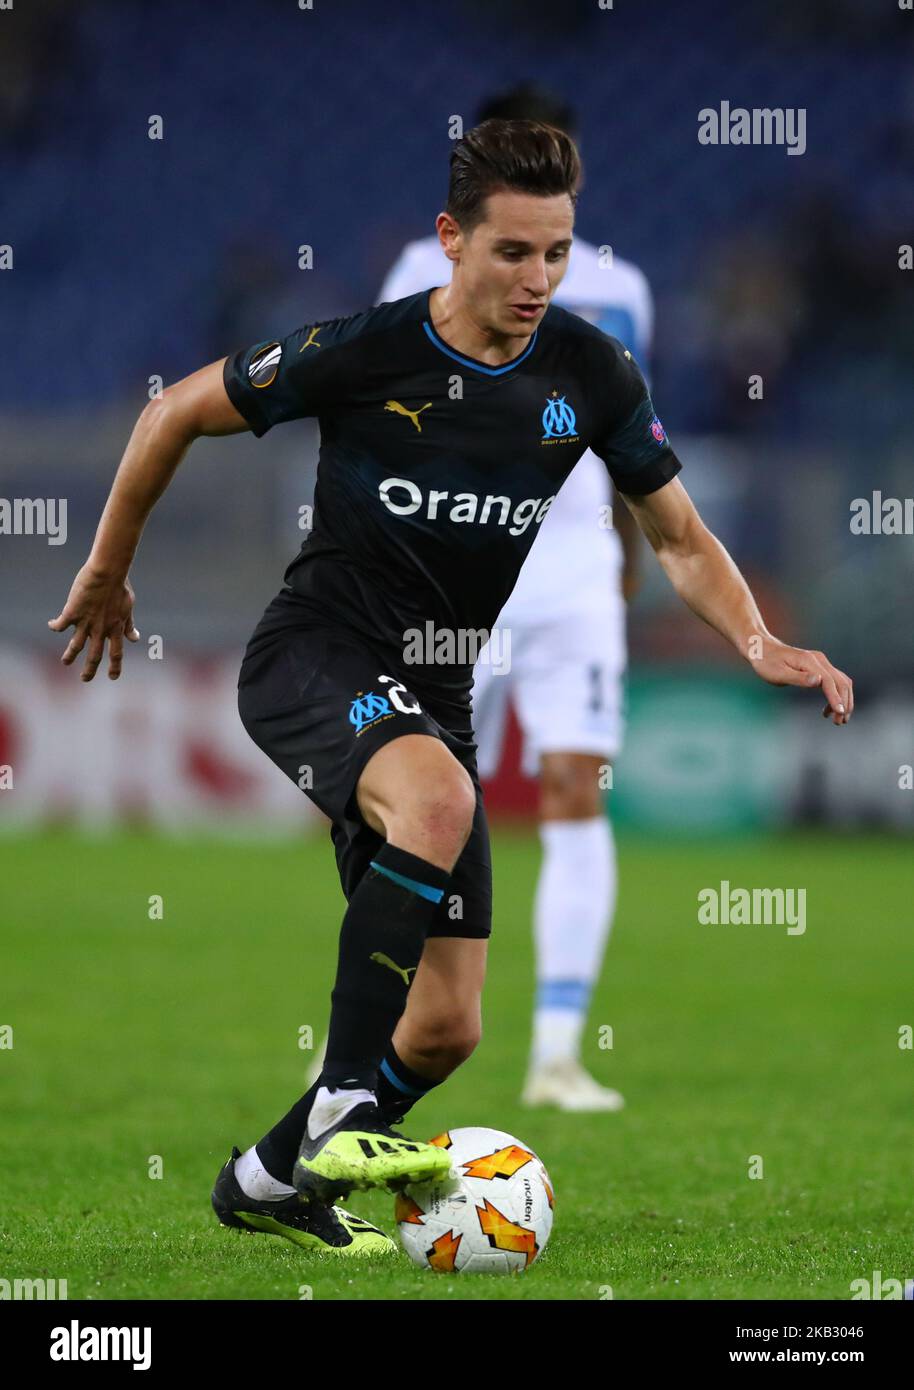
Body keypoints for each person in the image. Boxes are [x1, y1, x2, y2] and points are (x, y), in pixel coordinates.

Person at [49, 119, 853, 1258]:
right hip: (314, 653)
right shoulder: (367, 350)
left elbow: (671, 535)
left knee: (444, 1027)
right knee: (438, 805)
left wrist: (758, 638)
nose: (537, 280)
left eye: (556, 253)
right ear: (450, 241)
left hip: (435, 693)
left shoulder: (588, 373)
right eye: (512, 252)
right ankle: (336, 1113)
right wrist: (108, 566)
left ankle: (266, 1177)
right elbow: (171, 410)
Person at [371, 83, 652, 1112]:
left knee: (577, 790)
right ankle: (375, 1039)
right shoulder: (421, 267)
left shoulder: (623, 288)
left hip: (574, 571)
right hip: (455, 571)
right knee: (425, 807)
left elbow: (628, 435)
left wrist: (628, 548)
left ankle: (557, 1052)